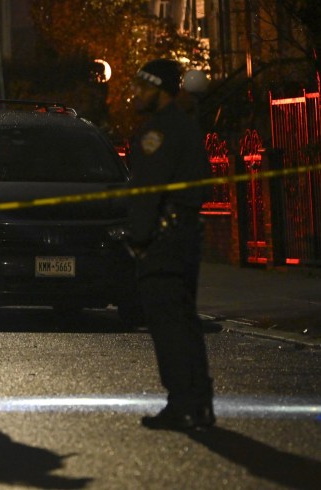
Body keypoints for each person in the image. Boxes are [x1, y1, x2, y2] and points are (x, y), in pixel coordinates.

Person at [126, 59, 215, 431]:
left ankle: (182, 403)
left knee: (168, 325)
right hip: (187, 234)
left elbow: (147, 191)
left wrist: (139, 238)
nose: (137, 94)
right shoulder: (187, 127)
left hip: (164, 240)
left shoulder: (158, 132)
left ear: (161, 90)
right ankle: (199, 401)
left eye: (144, 87)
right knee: (185, 321)